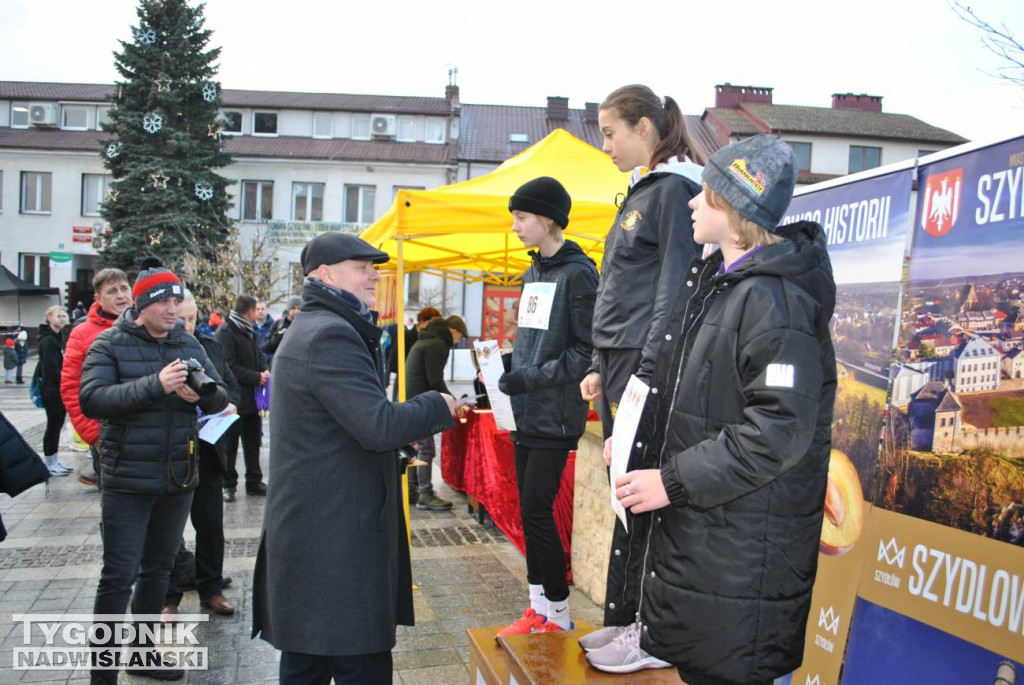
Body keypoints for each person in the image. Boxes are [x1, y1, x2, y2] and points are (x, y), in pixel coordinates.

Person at [585, 135, 837, 683]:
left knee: (723, 666)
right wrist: (631, 437)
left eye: (706, 193)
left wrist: (671, 482)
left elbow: (777, 431)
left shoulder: (776, 299)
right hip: (713, 539)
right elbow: (678, 386)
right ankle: (649, 635)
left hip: (743, 548)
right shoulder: (719, 283)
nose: (692, 203)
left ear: (736, 206)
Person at [252, 231, 457, 684]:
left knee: (308, 660)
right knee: (354, 662)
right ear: (326, 274)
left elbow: (341, 424)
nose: (374, 276)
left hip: (319, 530)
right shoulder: (330, 334)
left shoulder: (321, 326)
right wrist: (437, 405)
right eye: (363, 268)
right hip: (335, 539)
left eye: (375, 268)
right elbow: (377, 426)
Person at [577, 84, 702, 654]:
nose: (604, 145)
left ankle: (648, 632)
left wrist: (647, 370)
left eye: (610, 132)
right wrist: (602, 365)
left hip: (645, 370)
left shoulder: (673, 190)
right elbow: (619, 289)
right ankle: (624, 616)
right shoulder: (639, 193)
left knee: (640, 496)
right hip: (621, 365)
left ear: (646, 128)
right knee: (622, 496)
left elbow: (672, 289)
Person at [80, 259, 229, 684]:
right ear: (142, 305)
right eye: (163, 300)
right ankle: (102, 674)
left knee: (158, 571)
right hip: (127, 480)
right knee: (118, 575)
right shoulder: (109, 344)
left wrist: (204, 396)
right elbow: (93, 399)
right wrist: (156, 385)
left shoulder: (190, 344)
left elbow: (219, 396)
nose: (172, 308)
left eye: (176, 300)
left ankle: (143, 654)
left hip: (178, 477)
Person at [494, 177, 598, 637]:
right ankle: (538, 608)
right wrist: (503, 366)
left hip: (555, 413)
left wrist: (529, 376)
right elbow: (532, 339)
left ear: (549, 219)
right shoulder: (534, 272)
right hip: (526, 409)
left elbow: (587, 352)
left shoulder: (580, 274)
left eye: (521, 217)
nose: (515, 226)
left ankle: (556, 614)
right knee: (528, 511)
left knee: (537, 511)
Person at [162, 290, 238, 618]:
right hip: (170, 454)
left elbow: (228, 387)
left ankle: (210, 589)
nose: (188, 326)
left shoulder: (211, 347)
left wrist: (222, 403)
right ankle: (168, 596)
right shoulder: (157, 350)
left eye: (193, 319)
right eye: (183, 319)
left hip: (207, 450)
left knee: (209, 524)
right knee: (168, 531)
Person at [61, 268, 133, 488]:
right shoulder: (82, 333)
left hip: (148, 435)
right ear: (98, 298)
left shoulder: (145, 325)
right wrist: (95, 437)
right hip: (109, 436)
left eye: (124, 288)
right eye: (112, 291)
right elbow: (71, 388)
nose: (121, 295)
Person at [404, 313, 468, 510]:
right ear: (454, 331)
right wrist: (454, 402)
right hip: (422, 403)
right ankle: (425, 494)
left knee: (416, 447)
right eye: (460, 337)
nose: (458, 341)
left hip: (413, 400)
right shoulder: (437, 344)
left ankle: (413, 489)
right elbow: (435, 381)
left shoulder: (427, 340)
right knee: (426, 449)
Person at [215, 294, 269, 501]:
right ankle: (228, 484)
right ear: (249, 312)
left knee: (253, 442)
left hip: (252, 400)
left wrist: (264, 371)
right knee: (230, 445)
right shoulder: (226, 332)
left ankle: (254, 482)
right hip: (234, 399)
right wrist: (256, 377)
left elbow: (259, 355)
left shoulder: (248, 330)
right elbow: (227, 366)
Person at [38, 305, 72, 476]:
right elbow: (51, 369)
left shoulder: (59, 337)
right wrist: (66, 381)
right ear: (49, 317)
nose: (62, 318)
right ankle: (49, 462)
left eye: (64, 315)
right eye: (58, 315)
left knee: (57, 425)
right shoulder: (48, 340)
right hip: (52, 389)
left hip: (59, 388)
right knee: (53, 425)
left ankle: (55, 460)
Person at [261, 295, 301, 369]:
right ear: (288, 310)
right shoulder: (279, 324)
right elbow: (265, 348)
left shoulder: (305, 325)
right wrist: (275, 339)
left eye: (299, 308)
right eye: (293, 308)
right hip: (280, 366)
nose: (296, 311)